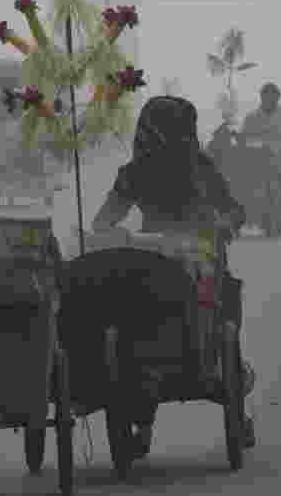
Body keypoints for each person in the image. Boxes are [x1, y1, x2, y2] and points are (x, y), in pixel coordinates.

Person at [91, 95, 255, 458]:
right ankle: (141, 418)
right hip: (151, 261)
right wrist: (106, 233)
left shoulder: (202, 169)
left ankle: (234, 402)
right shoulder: (134, 173)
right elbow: (104, 221)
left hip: (200, 258)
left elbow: (234, 210)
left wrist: (223, 223)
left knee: (220, 302)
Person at [240, 82, 281, 201]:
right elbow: (243, 139)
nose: (269, 99)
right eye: (266, 96)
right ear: (261, 97)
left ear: (277, 98)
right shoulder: (252, 118)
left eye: (272, 96)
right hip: (257, 164)